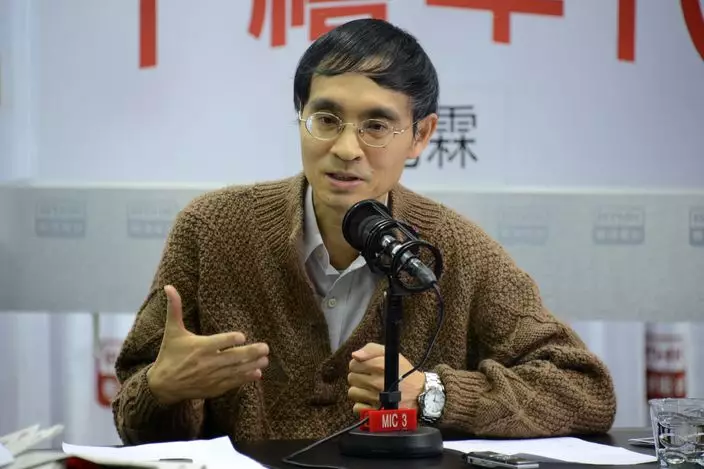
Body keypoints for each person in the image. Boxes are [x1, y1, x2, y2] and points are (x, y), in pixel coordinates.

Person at [112, 18, 616, 445]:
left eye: (376, 126)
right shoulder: (212, 230)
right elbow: (132, 414)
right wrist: (162, 389)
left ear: (421, 135)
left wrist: (434, 394)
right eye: (326, 119)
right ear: (300, 118)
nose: (347, 148)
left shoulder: (455, 249)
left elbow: (586, 390)